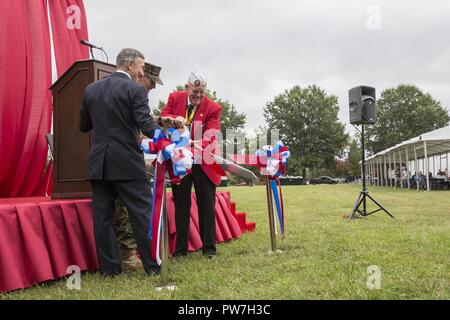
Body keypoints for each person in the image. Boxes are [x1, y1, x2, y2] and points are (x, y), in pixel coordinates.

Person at [79, 48, 161, 276]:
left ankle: (109, 270)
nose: (142, 71)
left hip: (99, 163)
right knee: (141, 214)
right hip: (126, 163)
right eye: (142, 67)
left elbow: (83, 126)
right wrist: (168, 138)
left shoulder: (91, 90)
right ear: (131, 65)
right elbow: (146, 126)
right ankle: (153, 268)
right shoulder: (135, 90)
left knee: (102, 218)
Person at [160, 71, 222, 258]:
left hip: (203, 160)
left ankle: (209, 249)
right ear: (186, 87)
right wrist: (172, 122)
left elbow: (213, 134)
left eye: (201, 92)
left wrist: (195, 143)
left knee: (206, 203)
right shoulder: (174, 98)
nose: (198, 96)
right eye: (195, 91)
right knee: (181, 203)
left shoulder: (213, 107)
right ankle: (180, 250)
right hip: (180, 159)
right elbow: (163, 118)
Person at [112, 62, 164, 272]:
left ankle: (132, 257)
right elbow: (140, 126)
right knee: (127, 211)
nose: (153, 87)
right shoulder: (132, 92)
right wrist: (163, 135)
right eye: (151, 82)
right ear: (141, 75)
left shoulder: (132, 93)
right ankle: (130, 256)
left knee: (127, 210)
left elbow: (137, 125)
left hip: (126, 158)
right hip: (124, 161)